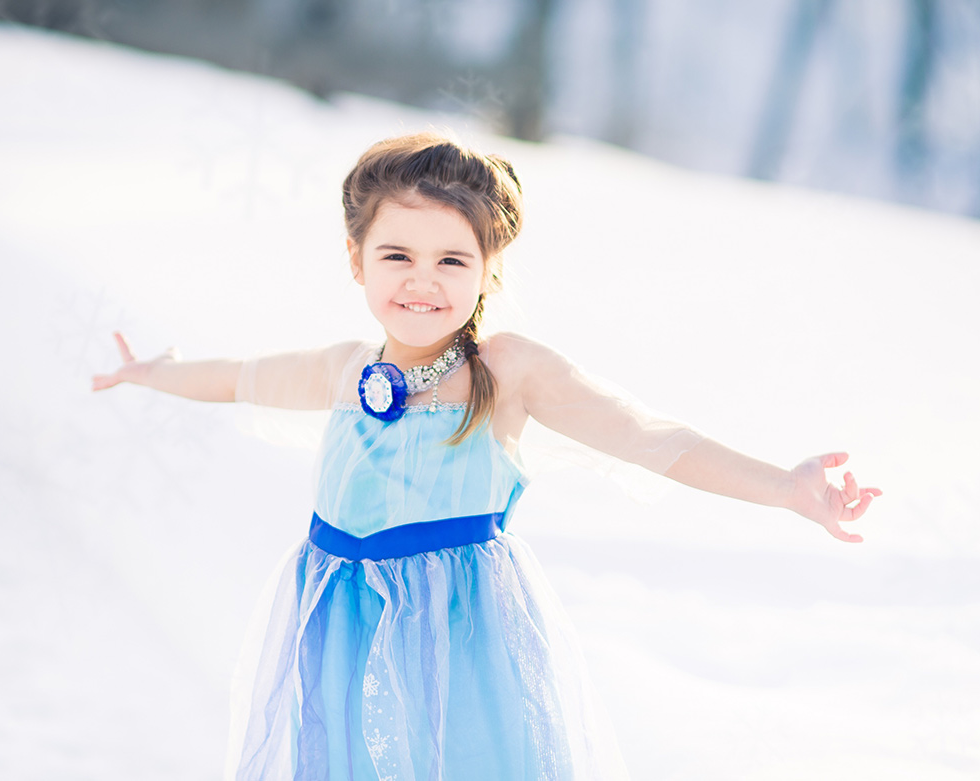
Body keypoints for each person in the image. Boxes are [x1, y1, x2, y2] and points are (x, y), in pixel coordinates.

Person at [92, 131, 880, 781]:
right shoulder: (346, 368)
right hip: (339, 623)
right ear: (356, 257)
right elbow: (238, 378)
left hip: (460, 631)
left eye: (452, 261)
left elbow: (650, 437)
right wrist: (151, 372)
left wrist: (786, 486)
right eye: (396, 255)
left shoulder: (506, 370)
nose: (421, 282)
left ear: (487, 269)